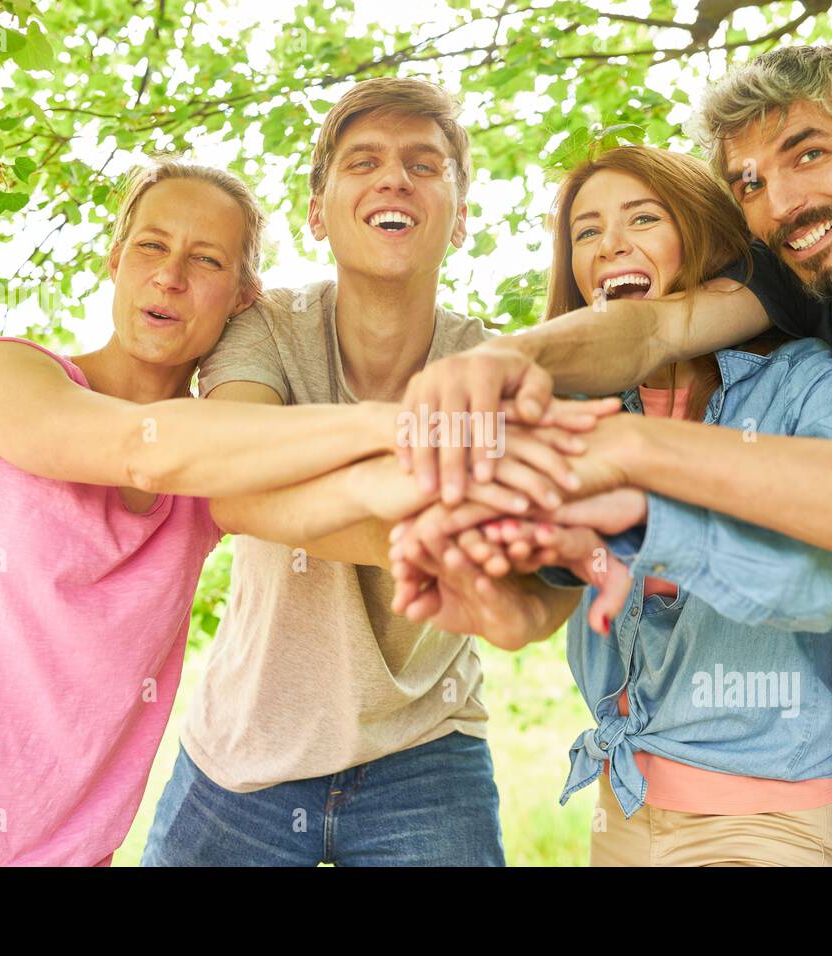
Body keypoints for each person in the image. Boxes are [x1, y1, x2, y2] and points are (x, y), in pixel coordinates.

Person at [394, 44, 832, 867]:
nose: (783, 203)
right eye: (750, 183)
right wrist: (509, 357)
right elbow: (652, 328)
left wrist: (631, 454)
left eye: (809, 153)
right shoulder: (812, 283)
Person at [0, 158, 451, 866]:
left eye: (206, 260)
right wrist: (404, 426)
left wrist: (543, 523)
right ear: (115, 261)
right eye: (150, 245)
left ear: (242, 299)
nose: (170, 275)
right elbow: (140, 450)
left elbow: (377, 528)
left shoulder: (214, 476)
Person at [140, 77, 616, 867]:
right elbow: (233, 475)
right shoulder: (266, 329)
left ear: (461, 219)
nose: (394, 178)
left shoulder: (495, 363)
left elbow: (539, 580)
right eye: (363, 161)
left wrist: (522, 567)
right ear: (317, 213)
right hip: (247, 746)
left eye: (424, 165)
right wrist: (453, 526)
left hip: (426, 750)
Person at [389, 145, 832, 865]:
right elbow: (549, 601)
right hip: (623, 803)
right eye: (587, 232)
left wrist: (644, 521)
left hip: (767, 813)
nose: (611, 246)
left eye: (642, 219)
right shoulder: (577, 411)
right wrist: (504, 600)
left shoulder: (798, 383)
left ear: (703, 237)